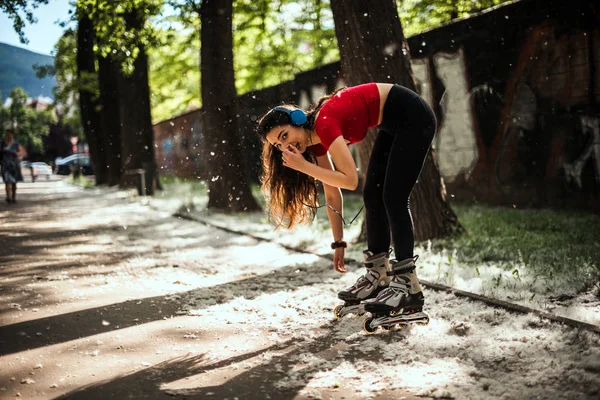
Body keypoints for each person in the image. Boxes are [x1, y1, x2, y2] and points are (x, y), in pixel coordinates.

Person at [257, 83, 436, 331]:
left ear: (297, 120)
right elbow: (332, 191)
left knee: (394, 197)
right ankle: (379, 276)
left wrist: (304, 167)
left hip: (413, 116)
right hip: (394, 125)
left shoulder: (325, 124)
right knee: (373, 196)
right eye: (278, 145)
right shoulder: (314, 141)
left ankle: (408, 287)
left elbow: (349, 179)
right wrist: (338, 243)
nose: (285, 146)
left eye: (285, 136)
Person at [1, 128, 27, 203]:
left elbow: (22, 152)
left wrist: (17, 154)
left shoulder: (16, 143)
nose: (8, 135)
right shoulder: (3, 143)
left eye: (9, 134)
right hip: (5, 164)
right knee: (7, 181)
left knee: (14, 182)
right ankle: (8, 197)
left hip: (14, 164)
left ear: (12, 134)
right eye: (7, 134)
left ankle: (13, 196)